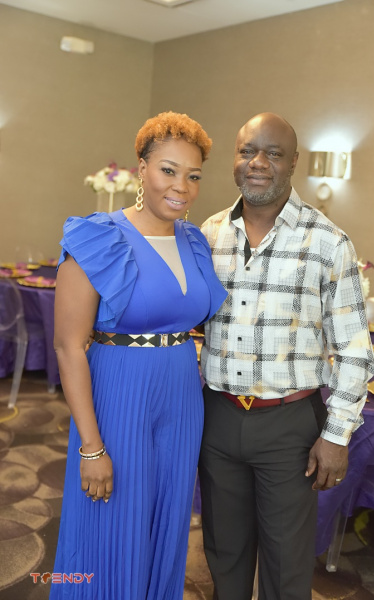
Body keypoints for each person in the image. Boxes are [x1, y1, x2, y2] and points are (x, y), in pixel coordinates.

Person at [197, 112, 374, 600]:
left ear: (294, 162)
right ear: (234, 159)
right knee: (223, 553)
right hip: (217, 417)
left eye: (273, 153)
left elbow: (355, 351)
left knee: (285, 564)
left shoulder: (328, 242)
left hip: (290, 427)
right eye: (247, 151)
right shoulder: (209, 233)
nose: (257, 163)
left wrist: (336, 435)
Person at [50, 111, 227, 600]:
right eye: (168, 170)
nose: (182, 187)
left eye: (193, 176)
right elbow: (68, 347)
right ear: (142, 168)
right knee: (111, 522)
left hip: (181, 396)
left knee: (168, 522)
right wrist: (91, 446)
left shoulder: (195, 240)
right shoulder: (99, 236)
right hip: (119, 393)